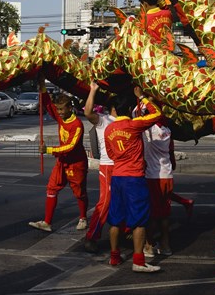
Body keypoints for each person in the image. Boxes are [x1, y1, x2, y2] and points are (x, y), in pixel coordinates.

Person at [105, 86, 162, 273]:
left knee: (115, 219)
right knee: (139, 220)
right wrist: (143, 97)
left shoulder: (109, 129)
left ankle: (114, 256)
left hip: (118, 176)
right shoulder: (134, 124)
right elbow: (157, 114)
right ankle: (138, 260)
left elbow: (112, 154)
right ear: (129, 109)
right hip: (134, 177)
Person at [29, 75, 89, 232]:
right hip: (62, 161)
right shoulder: (60, 116)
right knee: (51, 188)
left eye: (62, 109)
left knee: (79, 192)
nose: (59, 112)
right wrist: (42, 85)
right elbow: (48, 104)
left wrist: (48, 150)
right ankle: (47, 222)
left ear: (70, 108)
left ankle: (83, 217)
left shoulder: (77, 125)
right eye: (58, 110)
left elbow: (70, 146)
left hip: (76, 163)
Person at [134, 99, 174, 258]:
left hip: (152, 177)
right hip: (167, 175)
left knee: (150, 213)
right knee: (164, 214)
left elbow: (136, 115)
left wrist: (141, 97)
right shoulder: (167, 131)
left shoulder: (148, 130)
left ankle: (149, 244)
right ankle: (166, 244)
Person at [83, 81, 115, 253]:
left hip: (127, 167)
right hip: (109, 166)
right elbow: (88, 112)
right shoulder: (104, 120)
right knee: (106, 201)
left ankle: (125, 232)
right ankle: (92, 235)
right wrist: (93, 90)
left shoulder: (130, 119)